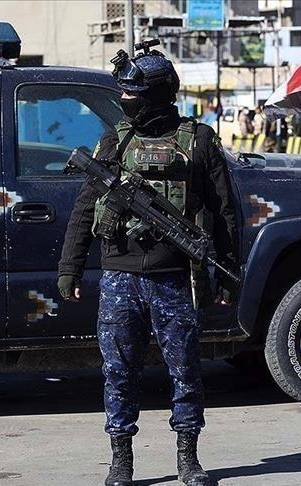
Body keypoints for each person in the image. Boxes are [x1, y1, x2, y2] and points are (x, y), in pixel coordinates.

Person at [57, 43, 238, 486]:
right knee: (118, 372)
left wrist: (227, 272)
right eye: (124, 93)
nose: (125, 100)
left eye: (133, 94)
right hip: (120, 276)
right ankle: (121, 459)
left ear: (156, 95)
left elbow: (225, 212)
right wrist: (70, 268)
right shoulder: (114, 142)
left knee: (185, 371)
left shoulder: (198, 141)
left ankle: (188, 458)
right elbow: (85, 207)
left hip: (174, 277)